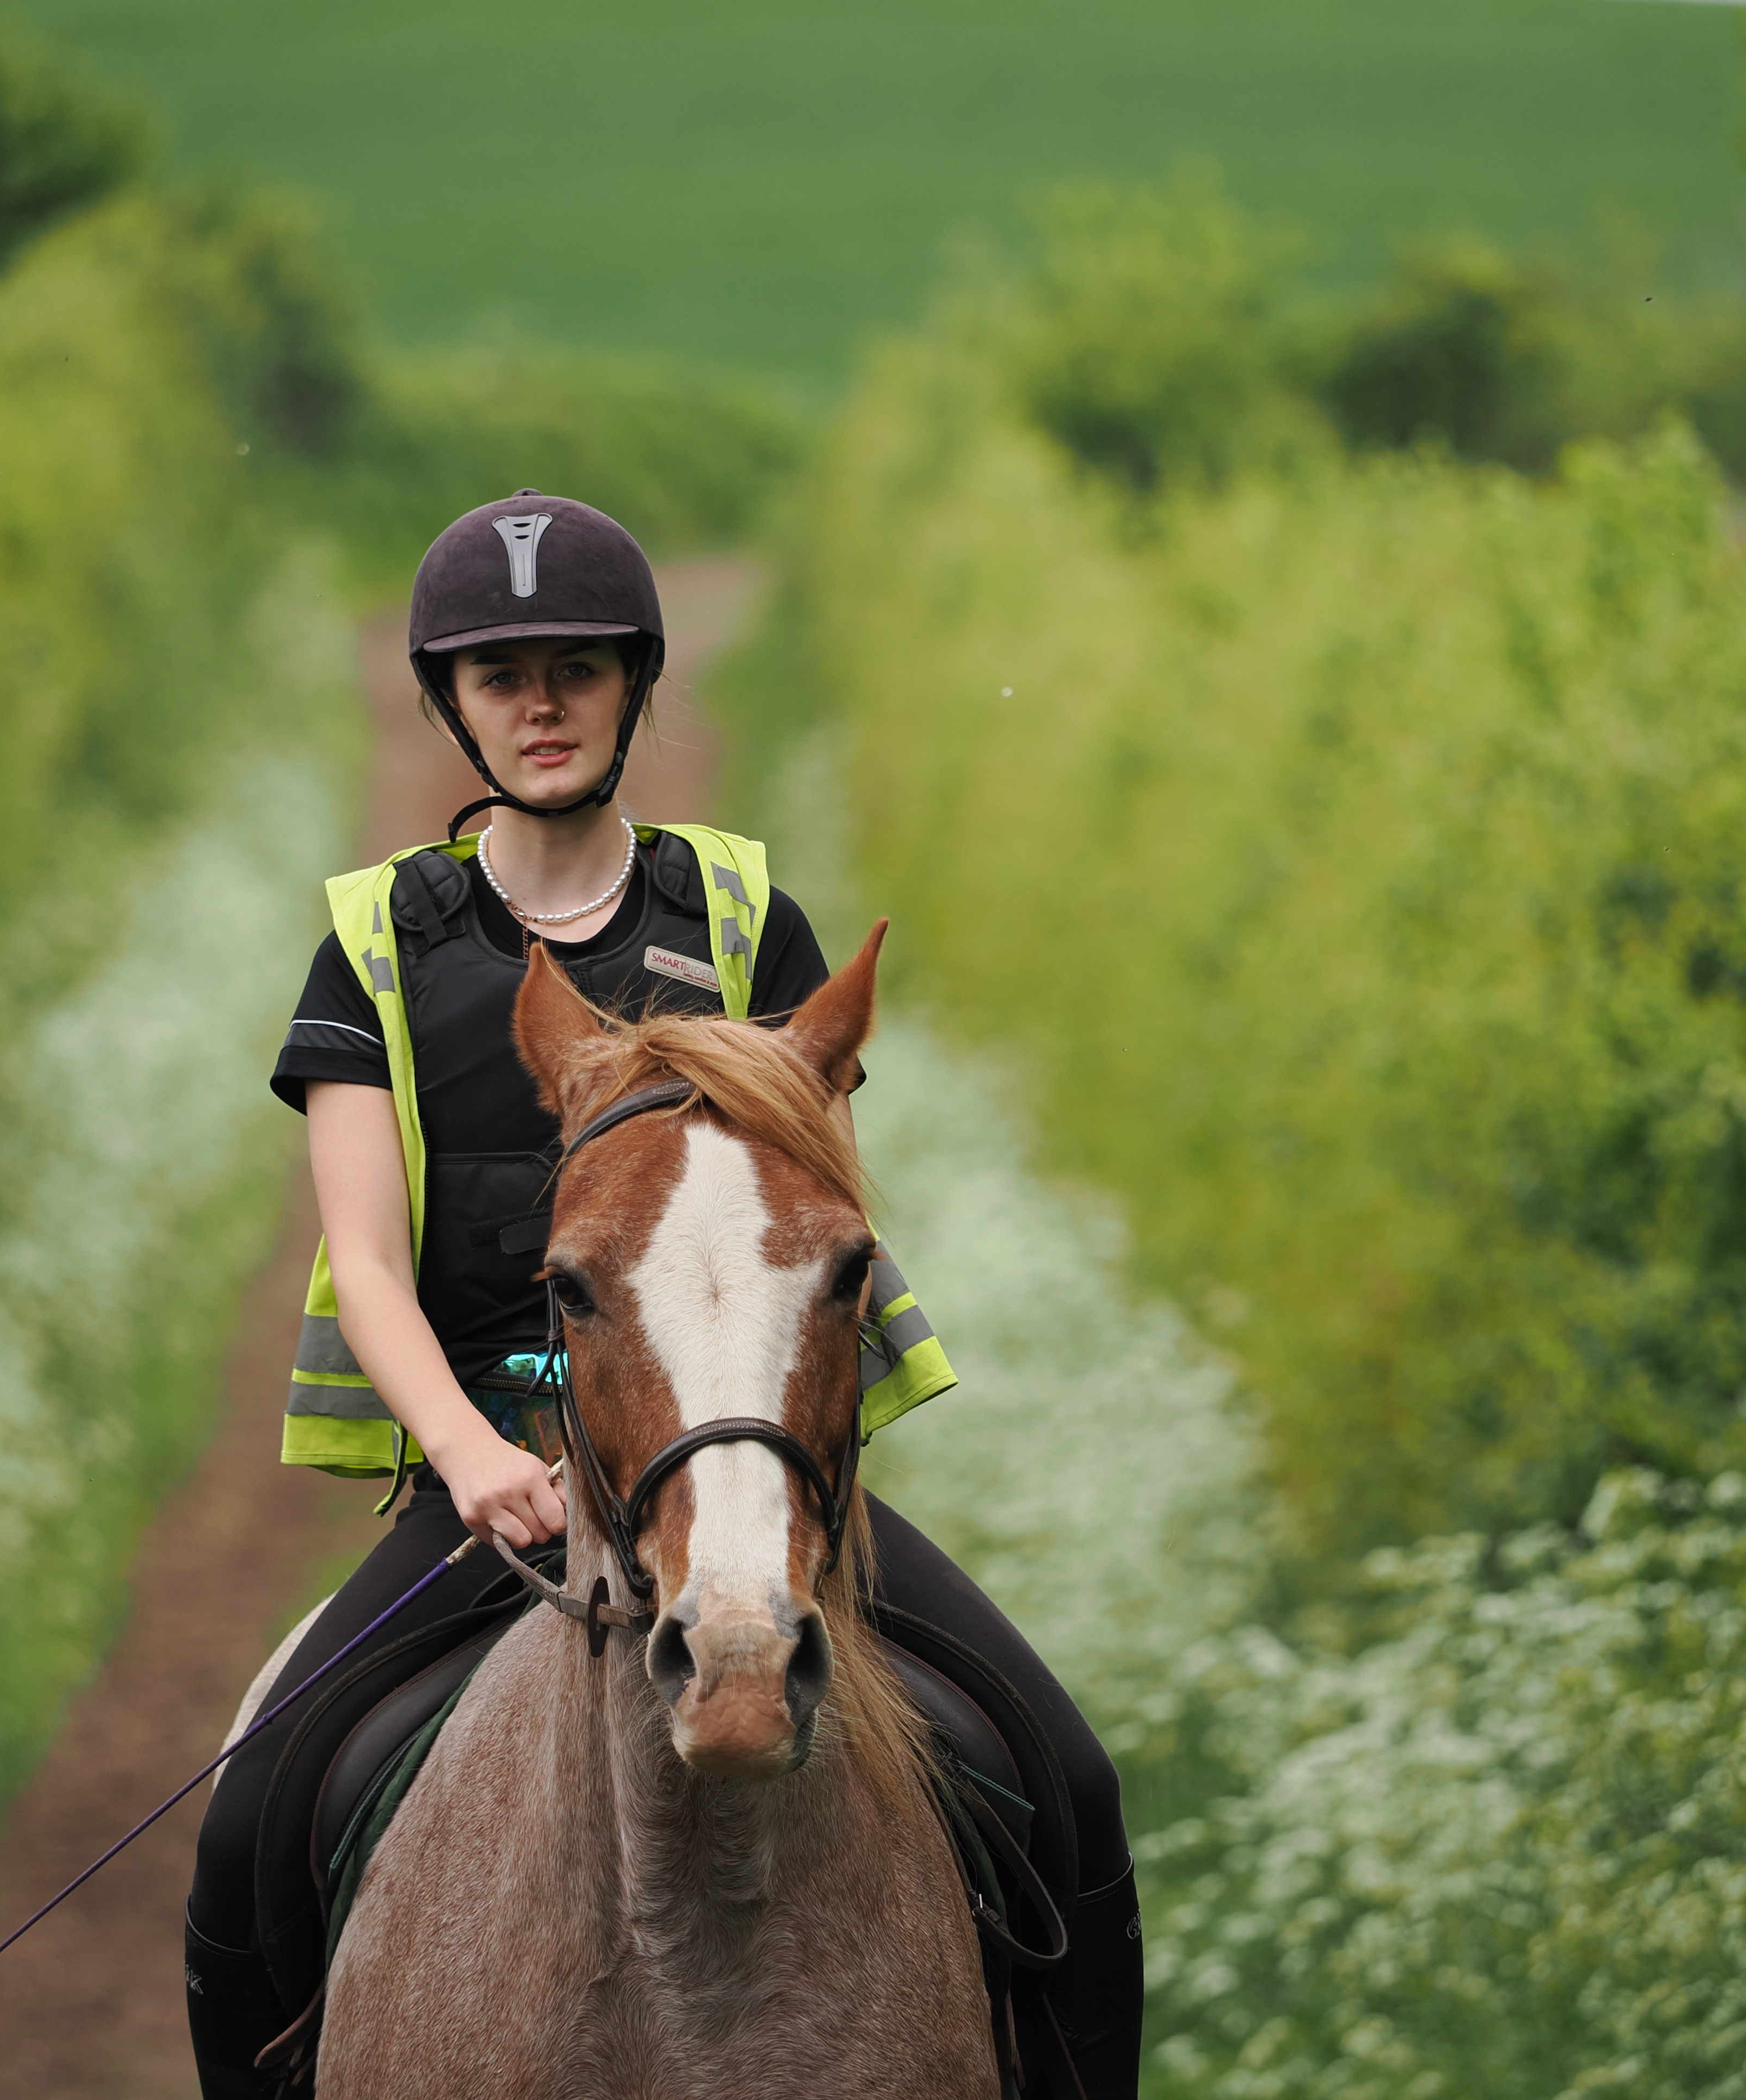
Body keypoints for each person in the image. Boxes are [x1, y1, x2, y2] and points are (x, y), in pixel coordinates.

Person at [184, 492, 1141, 2096]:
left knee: (1066, 1778)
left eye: (576, 667)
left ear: (636, 686)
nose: (541, 704)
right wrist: (481, 1461)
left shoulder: (749, 921)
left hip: (740, 1468)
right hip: (494, 1484)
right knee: (252, 1823)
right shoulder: (377, 948)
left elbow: (789, 1236)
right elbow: (360, 1257)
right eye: (501, 678)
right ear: (452, 707)